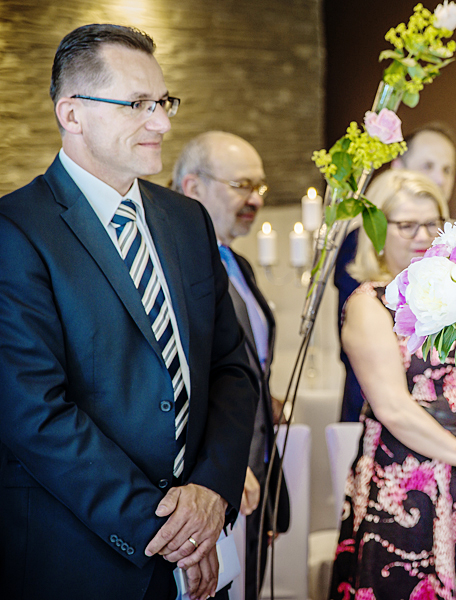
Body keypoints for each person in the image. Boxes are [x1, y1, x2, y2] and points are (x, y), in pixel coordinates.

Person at [0, 25, 259, 600]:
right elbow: (35, 415)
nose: (162, 123)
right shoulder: (15, 231)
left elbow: (232, 369)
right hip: (79, 556)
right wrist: (168, 530)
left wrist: (212, 493)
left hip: (200, 536)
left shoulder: (188, 221)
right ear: (73, 114)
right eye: (138, 104)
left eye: (163, 102)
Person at [329, 170, 456, 600]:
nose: (423, 235)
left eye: (432, 222)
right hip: (404, 479)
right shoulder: (370, 303)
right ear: (376, 231)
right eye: (407, 224)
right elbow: (393, 407)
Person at [172, 131, 291, 600]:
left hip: (258, 459)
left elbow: (244, 364)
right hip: (219, 473)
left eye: (259, 187)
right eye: (242, 185)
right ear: (192, 186)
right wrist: (223, 462)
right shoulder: (177, 267)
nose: (256, 199)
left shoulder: (240, 264)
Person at [334, 123, 456, 423]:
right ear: (398, 166)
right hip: (382, 407)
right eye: (428, 165)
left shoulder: (453, 251)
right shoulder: (365, 254)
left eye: (448, 169)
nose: (440, 178)